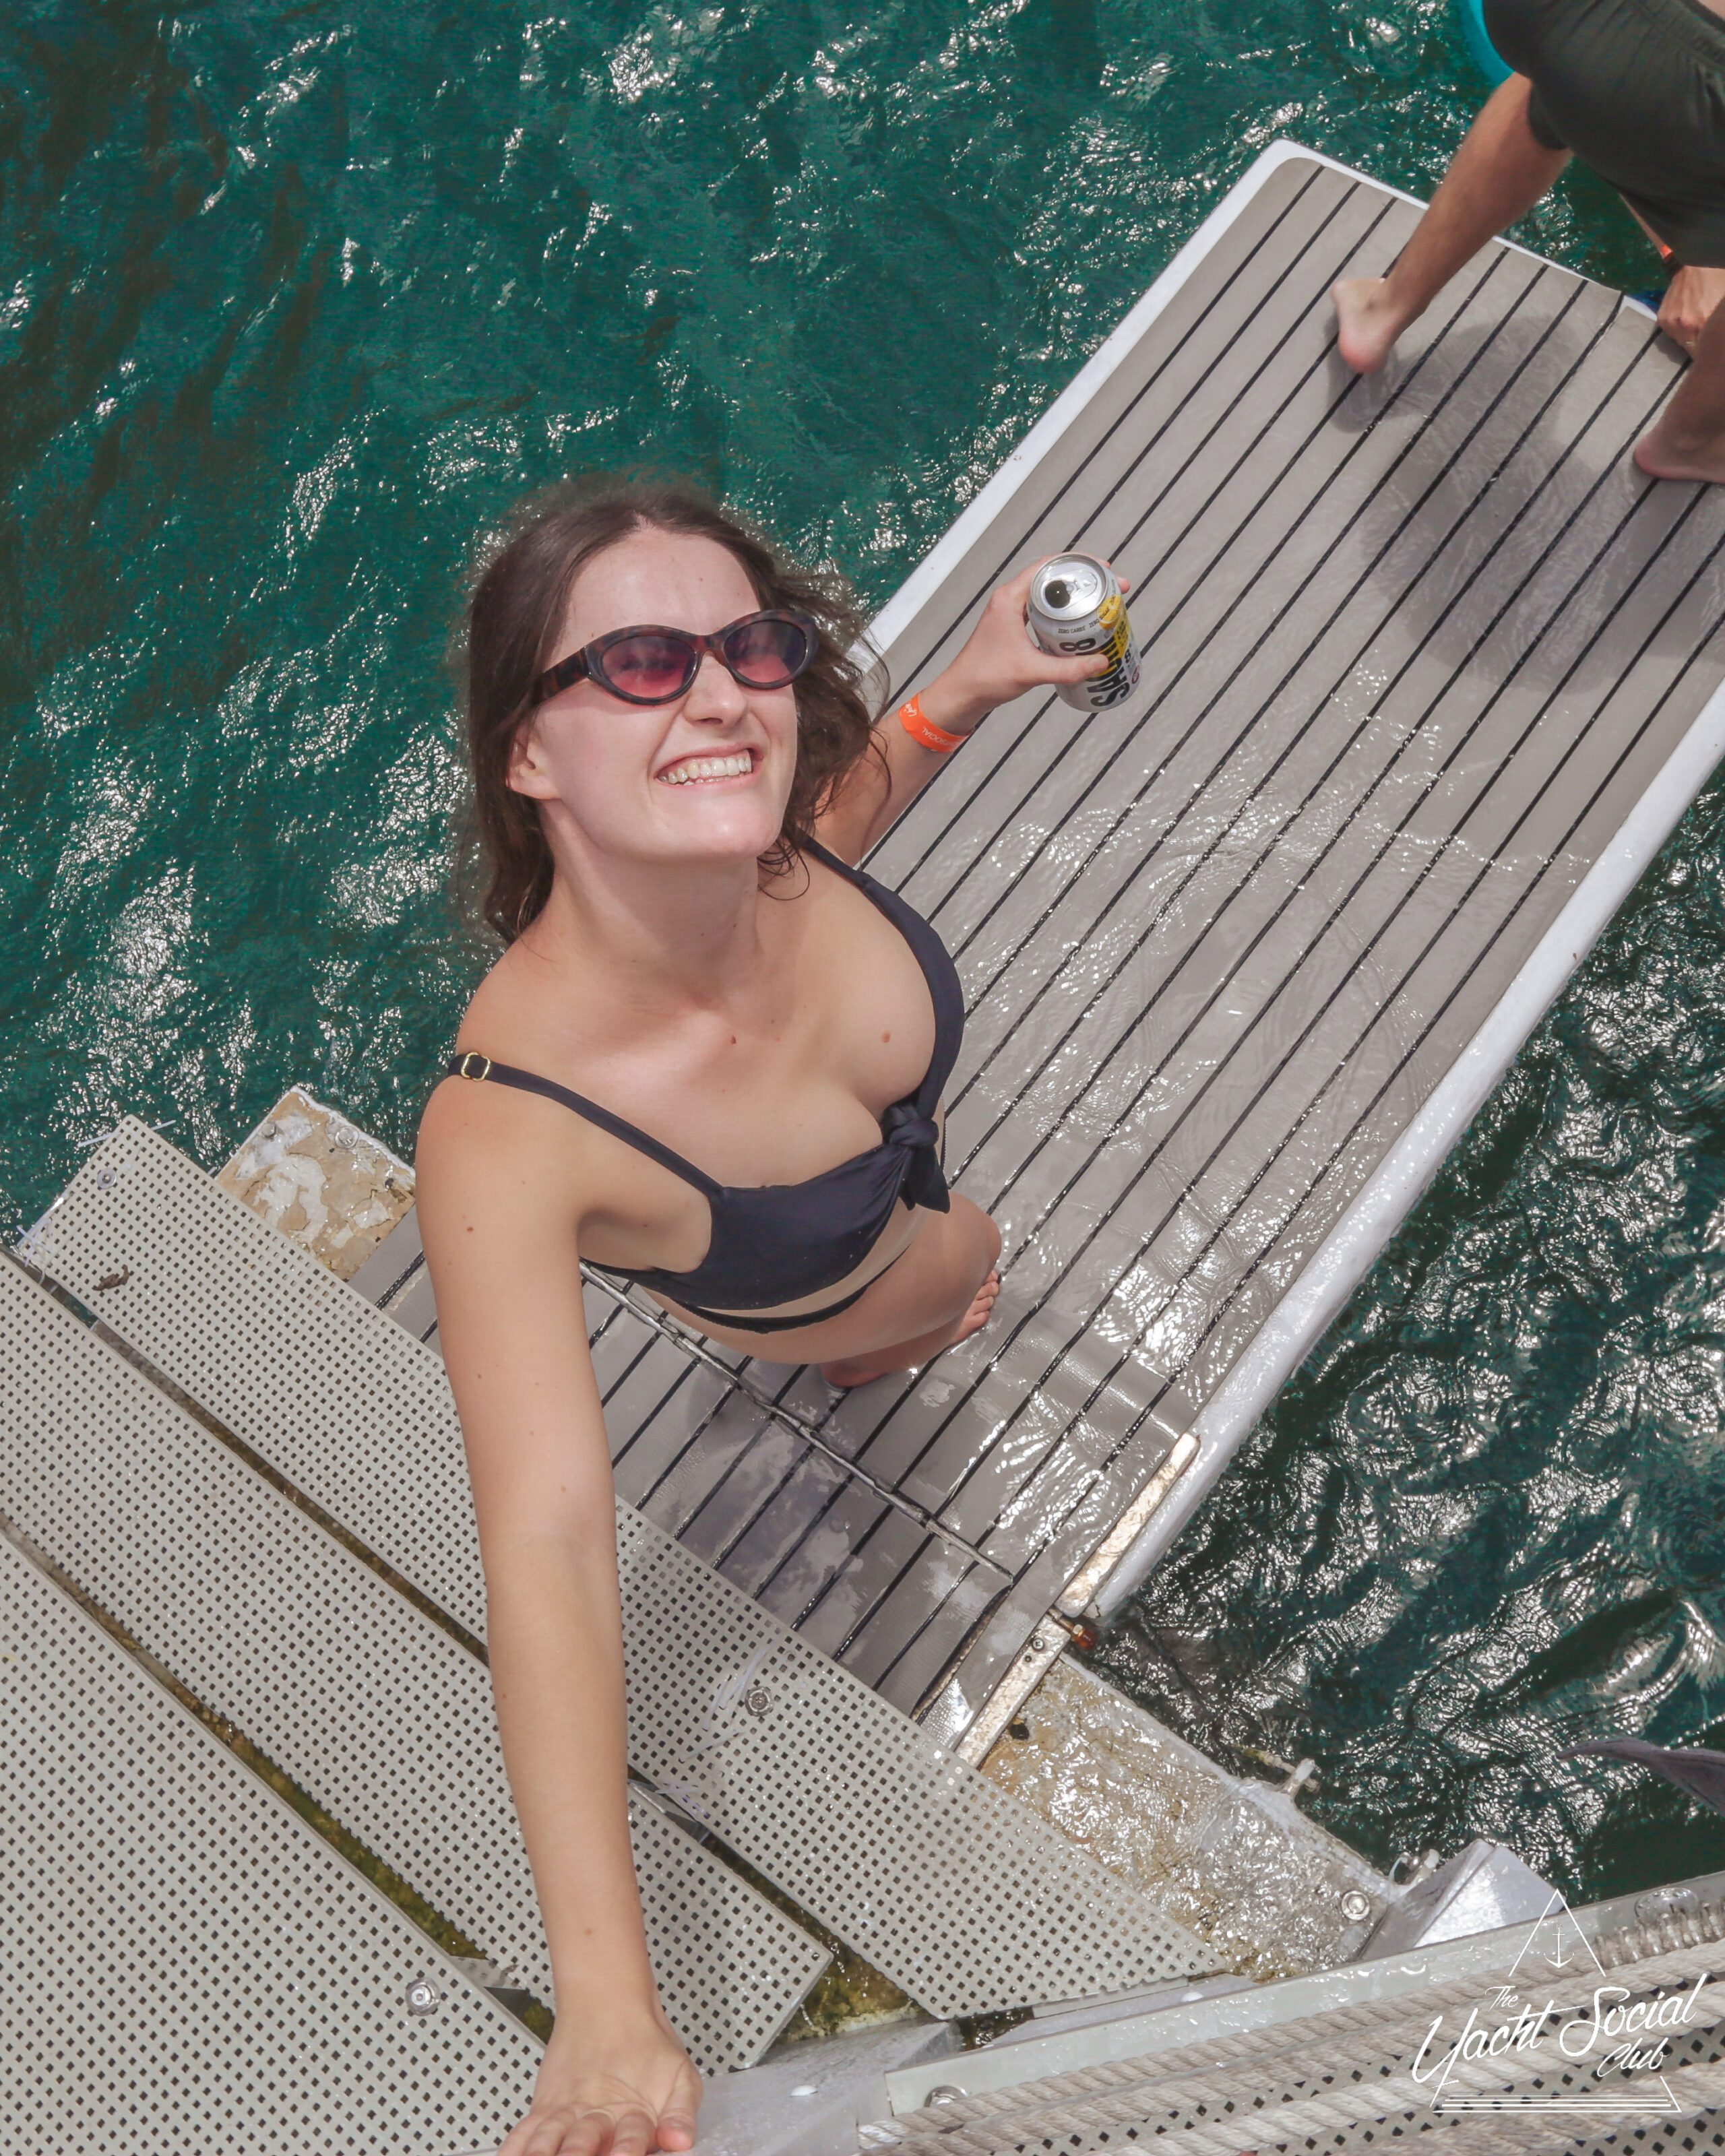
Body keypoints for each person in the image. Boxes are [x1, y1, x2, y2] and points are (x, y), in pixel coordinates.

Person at [414, 479, 1110, 2156]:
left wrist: (961, 689)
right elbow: (549, 1546)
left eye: (748, 648)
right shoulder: (509, 1134)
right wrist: (604, 2002)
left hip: (904, 1207)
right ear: (527, 752)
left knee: (950, 1256)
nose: (723, 695)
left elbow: (822, 837)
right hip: (835, 1303)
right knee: (931, 1300)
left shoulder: (754, 859)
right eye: (643, 664)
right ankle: (881, 1347)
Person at [1333, 0, 1725, 484]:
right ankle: (1691, 442)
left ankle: (1382, 310)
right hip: (1691, 86)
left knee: (1548, 89)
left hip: (1549, 18)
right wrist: (1690, 252)